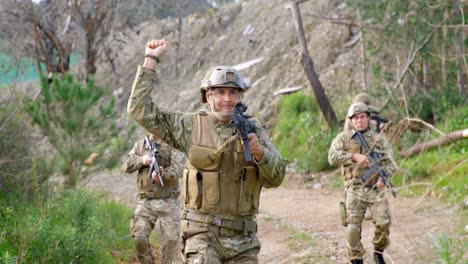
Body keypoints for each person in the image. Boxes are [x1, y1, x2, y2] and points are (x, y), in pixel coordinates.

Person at [127, 39, 286, 263]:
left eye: (233, 93)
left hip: (244, 241)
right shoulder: (190, 126)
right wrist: (151, 60)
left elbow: (277, 177)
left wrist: (260, 153)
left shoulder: (254, 129)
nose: (227, 99)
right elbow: (139, 110)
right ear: (207, 96)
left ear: (240, 97)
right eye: (220, 92)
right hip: (201, 237)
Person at [328, 102, 397, 264]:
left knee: (383, 223)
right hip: (354, 189)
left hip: (375, 188)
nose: (359, 121)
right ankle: (356, 258)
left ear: (368, 118)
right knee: (353, 228)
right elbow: (332, 157)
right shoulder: (343, 138)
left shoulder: (379, 139)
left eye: (362, 117)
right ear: (351, 121)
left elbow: (390, 162)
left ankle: (378, 251)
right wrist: (353, 157)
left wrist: (383, 178)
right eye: (356, 118)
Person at [122, 134, 182, 264]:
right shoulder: (140, 145)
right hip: (145, 202)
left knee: (171, 242)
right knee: (139, 237)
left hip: (168, 201)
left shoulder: (172, 144)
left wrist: (163, 173)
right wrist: (142, 160)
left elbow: (179, 169)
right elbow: (126, 165)